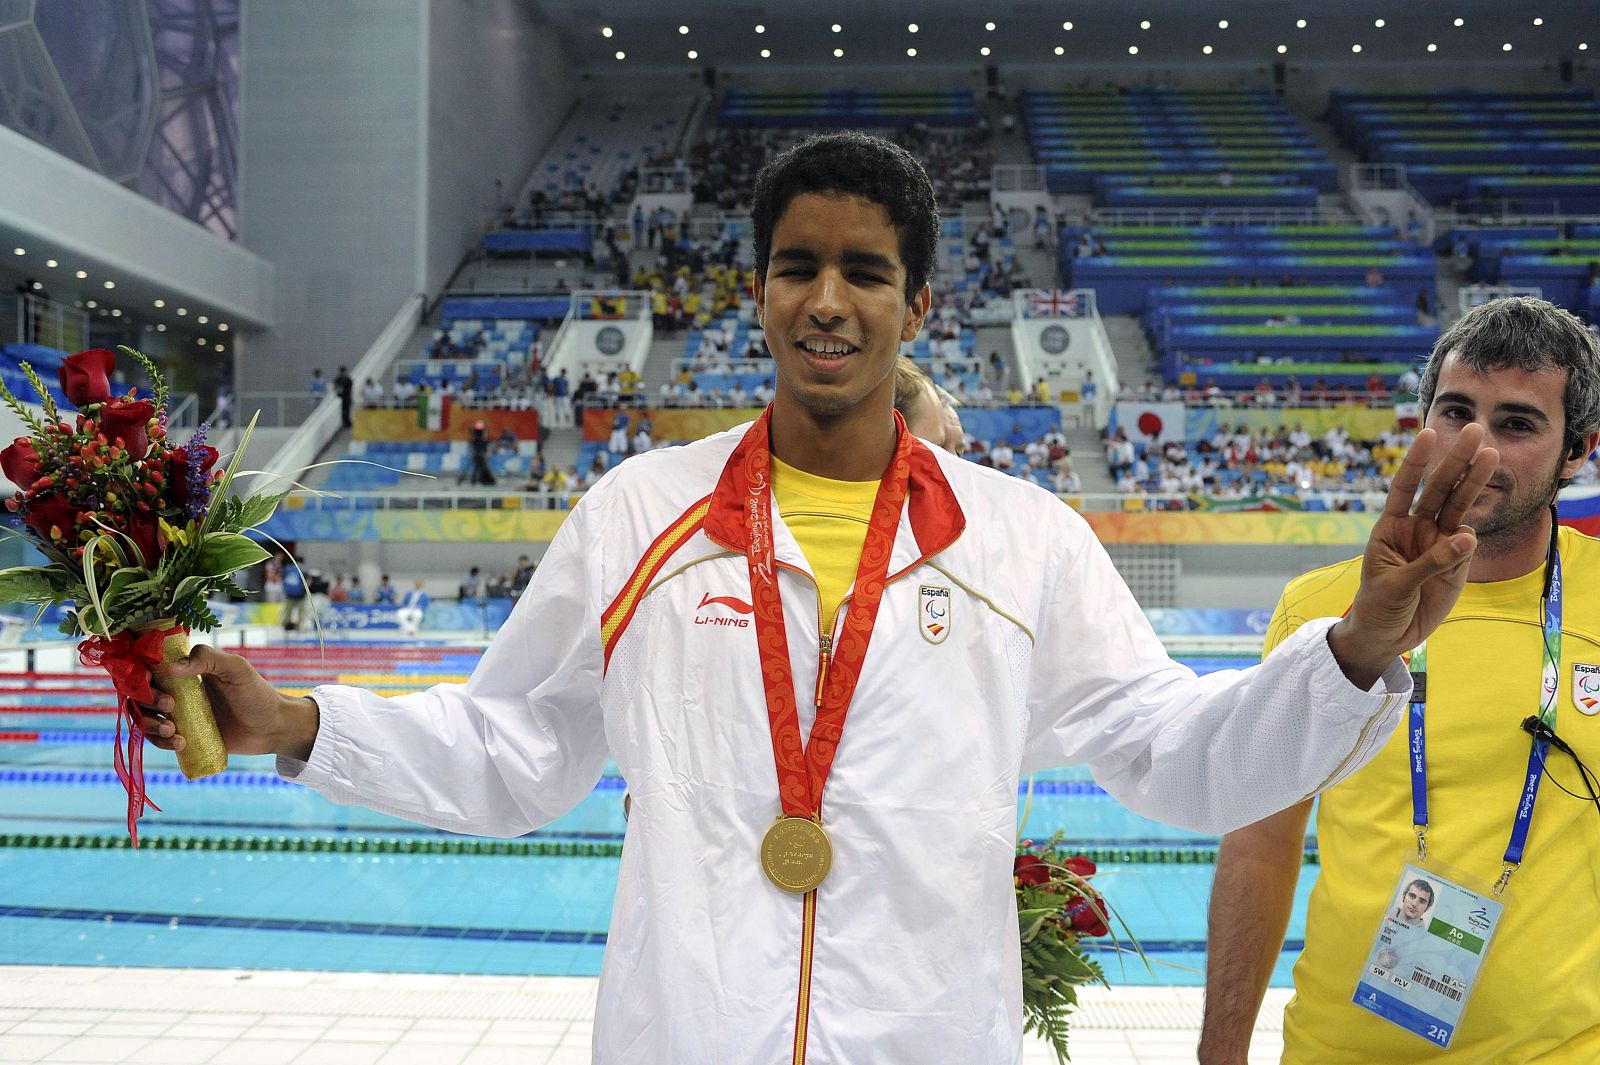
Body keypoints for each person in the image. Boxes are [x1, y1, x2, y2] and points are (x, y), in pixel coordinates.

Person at [142, 133, 1496, 1065]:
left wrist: (1355, 650)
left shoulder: (1023, 540)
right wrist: (297, 724)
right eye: (798, 266)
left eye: (864, 271)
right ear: (759, 292)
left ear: (919, 304)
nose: (827, 299)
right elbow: (517, 748)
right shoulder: (639, 514)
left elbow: (1172, 753)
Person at [1200, 296, 1600, 1065]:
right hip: (1338, 1050)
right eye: (1456, 412)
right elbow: (1260, 842)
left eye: (1517, 423)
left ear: (1577, 450)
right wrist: (1221, 1052)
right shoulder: (1322, 609)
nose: (1476, 446)